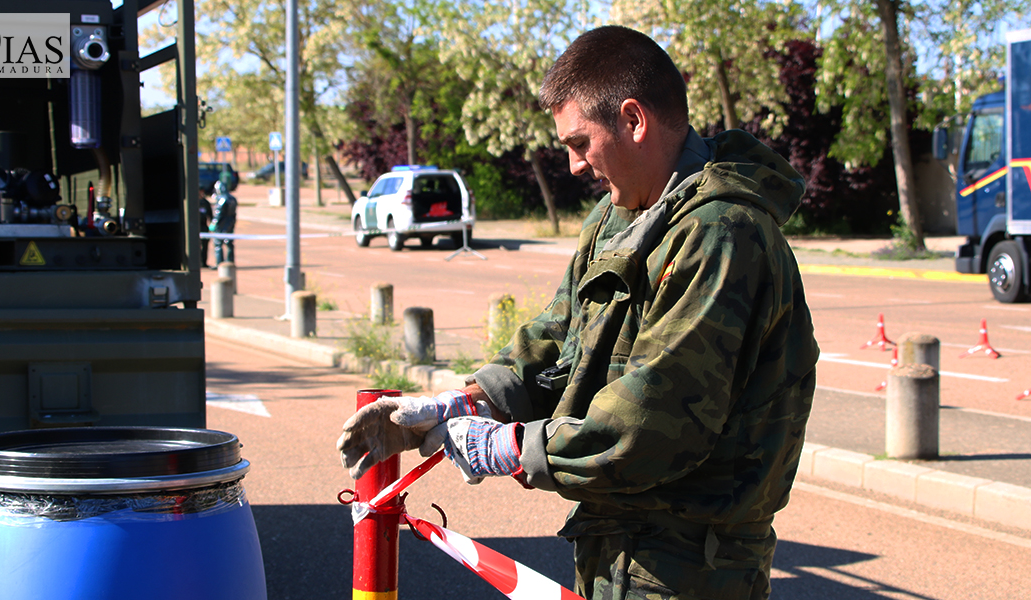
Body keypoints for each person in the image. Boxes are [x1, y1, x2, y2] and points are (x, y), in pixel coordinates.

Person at [337, 25, 818, 600]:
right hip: (613, 549)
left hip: (691, 567)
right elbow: (559, 338)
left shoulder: (722, 234)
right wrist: (466, 401)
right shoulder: (620, 218)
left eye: (579, 142)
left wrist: (505, 447)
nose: (573, 165)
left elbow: (651, 424)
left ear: (634, 120)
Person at [210, 177, 237, 266]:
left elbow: (218, 213)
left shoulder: (222, 199)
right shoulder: (233, 198)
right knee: (229, 243)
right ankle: (230, 261)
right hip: (231, 223)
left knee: (218, 244)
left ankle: (219, 263)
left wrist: (214, 223)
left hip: (222, 224)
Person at [198, 186, 213, 268]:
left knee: (205, 246)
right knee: (196, 246)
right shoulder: (194, 203)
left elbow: (210, 216)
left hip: (204, 227)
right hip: (196, 228)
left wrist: (212, 226)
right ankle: (197, 262)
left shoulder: (205, 203)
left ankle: (204, 262)